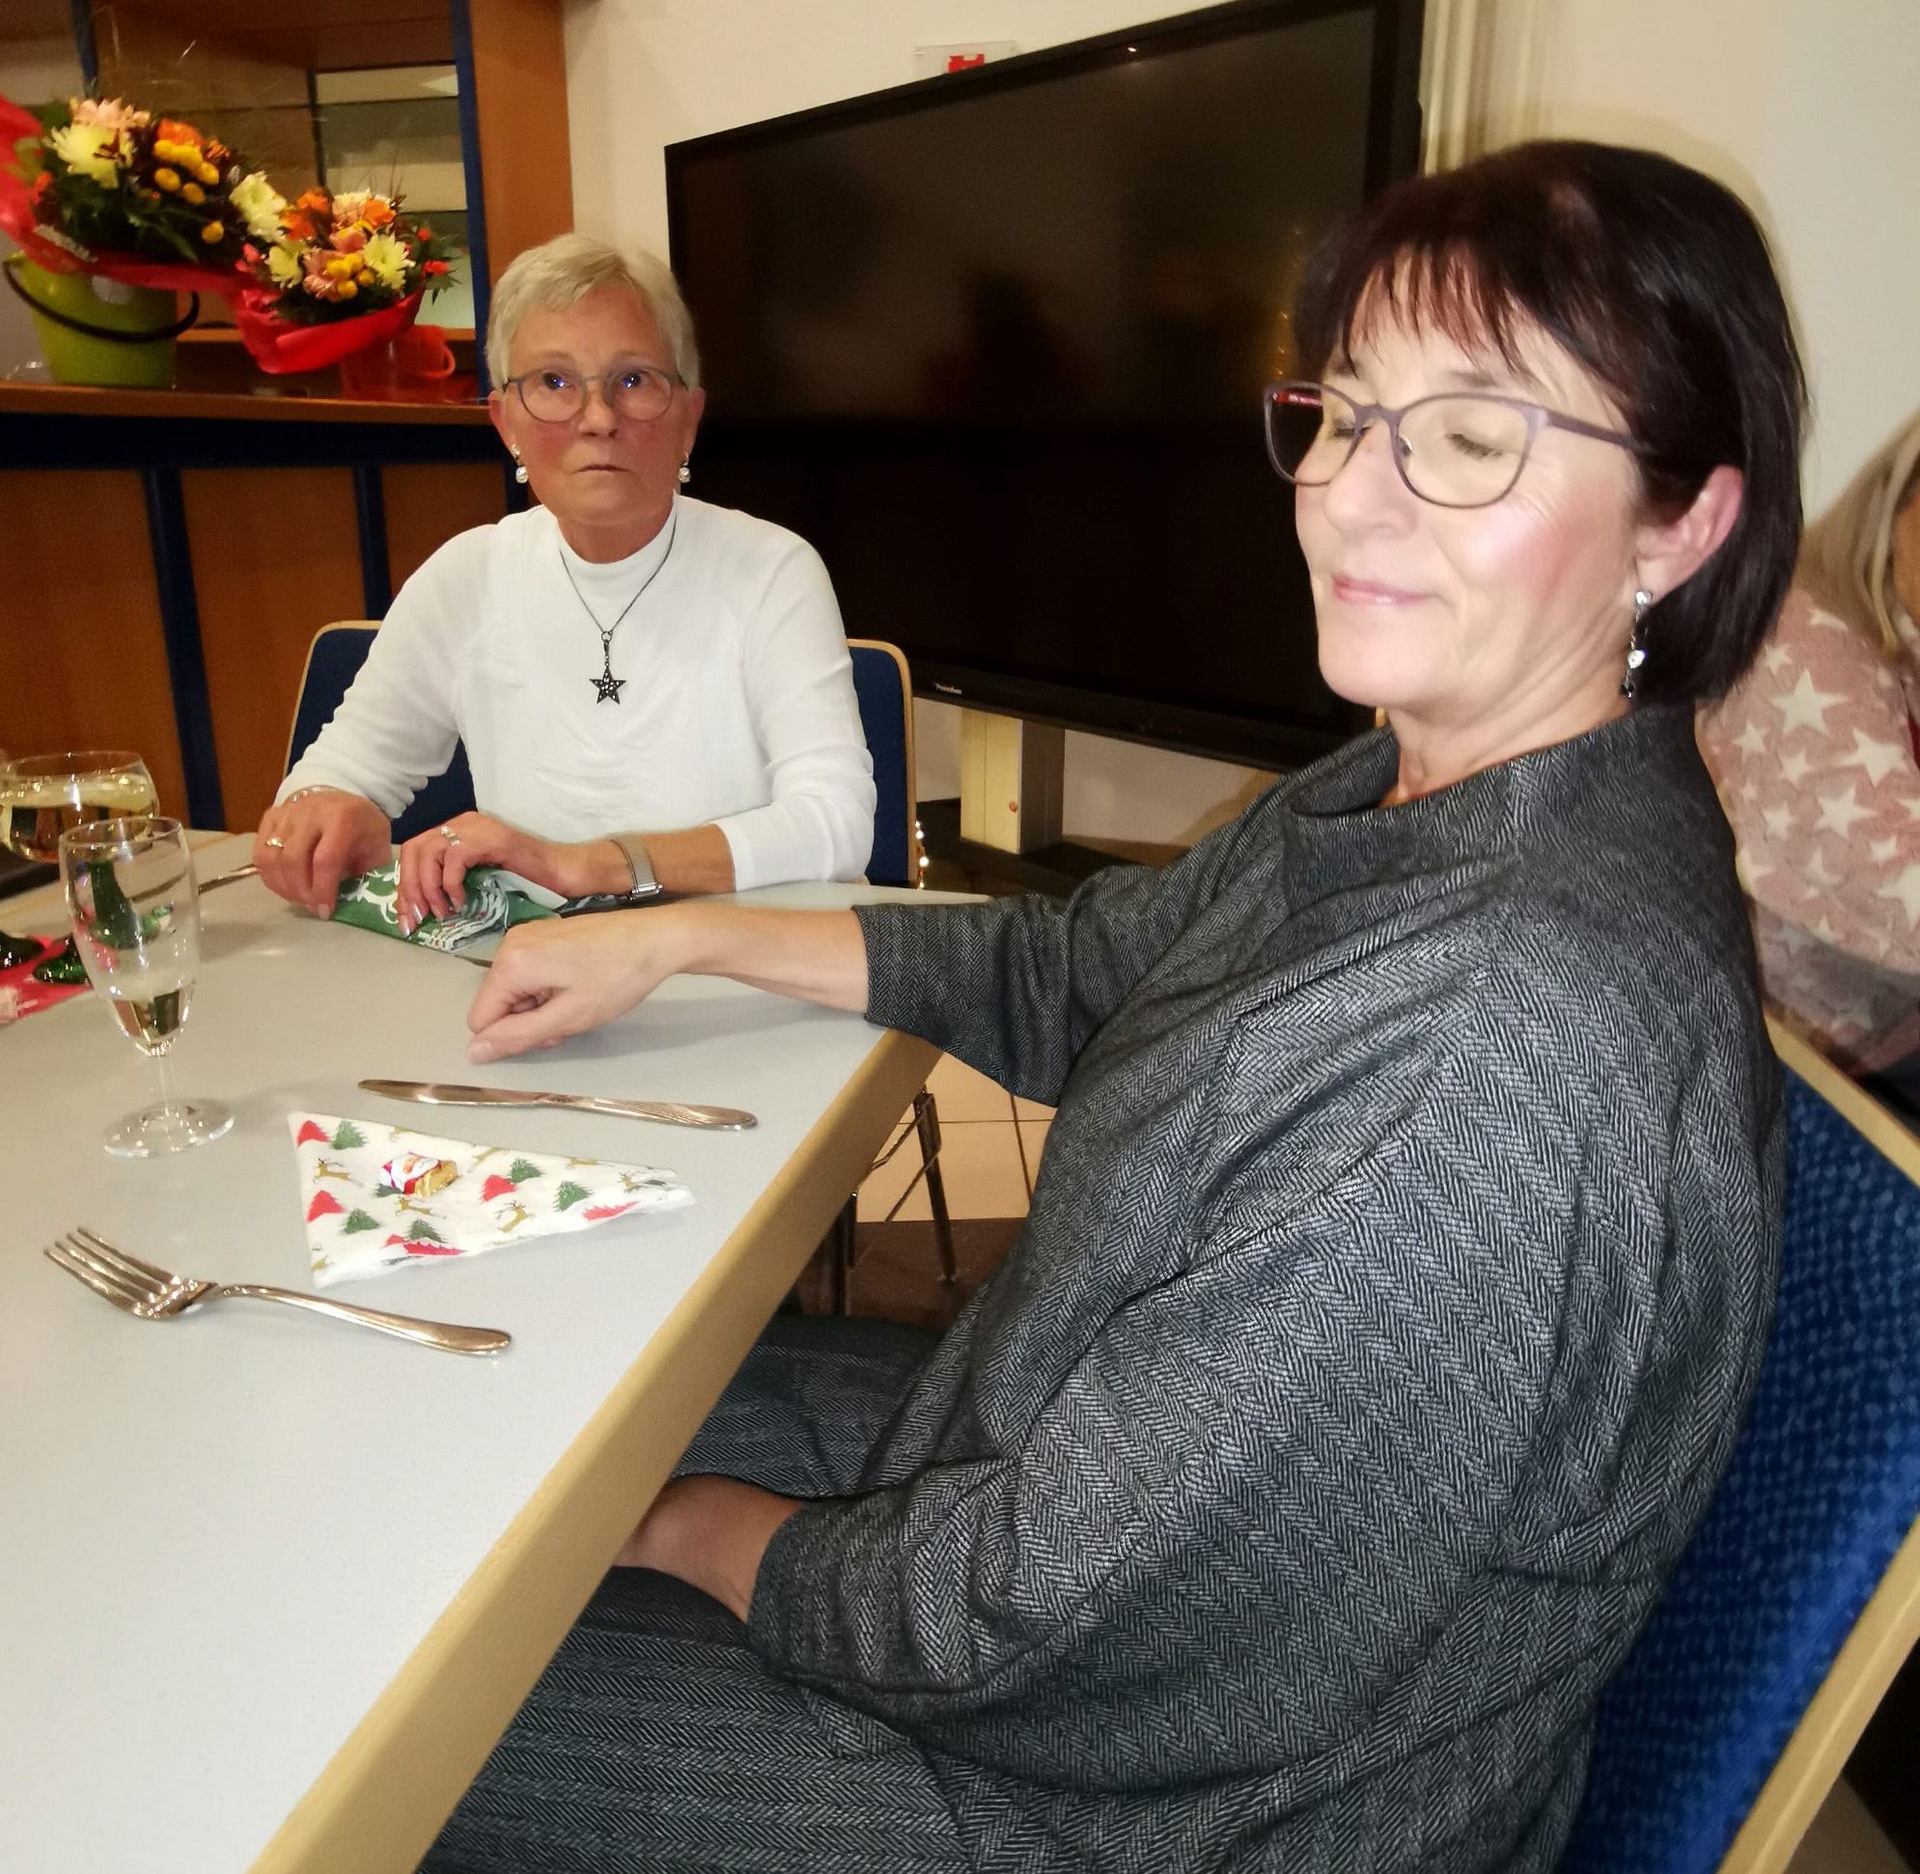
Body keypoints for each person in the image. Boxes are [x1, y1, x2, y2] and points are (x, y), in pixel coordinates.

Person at [424, 140, 1802, 1873]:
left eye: (1470, 438)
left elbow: (1041, 1617)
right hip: (1052, 1498)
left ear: (1685, 521)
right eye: (1347, 415)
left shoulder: (1485, 1038)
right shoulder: (1425, 787)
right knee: (511, 1399)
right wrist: (682, 934)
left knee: (375, 1694)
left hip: (1148, 1807)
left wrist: (712, 1536)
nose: (1349, 498)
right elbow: (1076, 968)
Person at [253, 235, 875, 928]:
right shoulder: (466, 576)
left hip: (743, 955)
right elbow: (344, 768)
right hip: (538, 963)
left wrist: (582, 864)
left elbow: (835, 822)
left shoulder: (772, 570)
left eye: (633, 380)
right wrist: (325, 805)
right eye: (554, 382)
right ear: (505, 422)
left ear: (689, 419)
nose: (599, 419)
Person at [1699, 410, 1920, 1093]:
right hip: (1767, 1065)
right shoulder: (1806, 636)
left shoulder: (1901, 645)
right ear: (1897, 502)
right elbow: (1901, 890)